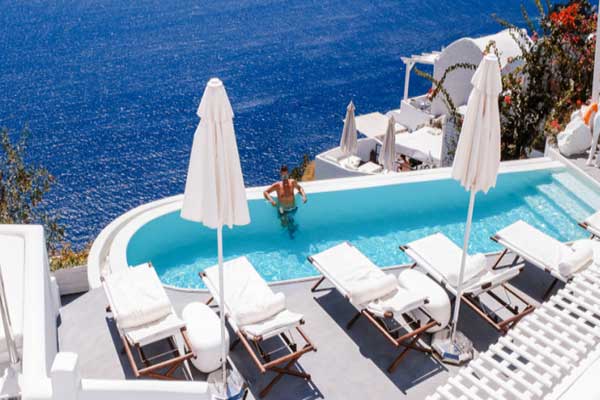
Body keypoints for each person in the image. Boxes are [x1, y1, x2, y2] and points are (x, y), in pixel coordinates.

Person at [263, 165, 307, 235]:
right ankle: (289, 226)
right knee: (284, 225)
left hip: (293, 209)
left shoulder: (292, 182)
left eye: (286, 175)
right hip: (283, 211)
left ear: (288, 174)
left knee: (291, 223)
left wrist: (304, 196)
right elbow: (265, 192)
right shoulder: (277, 185)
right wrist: (271, 201)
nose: (284, 176)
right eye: (283, 175)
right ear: (280, 174)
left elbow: (300, 188)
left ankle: (291, 227)